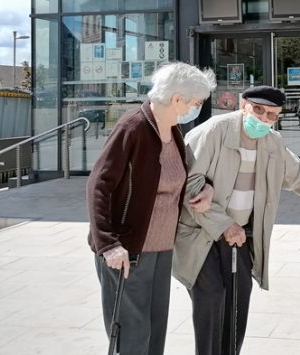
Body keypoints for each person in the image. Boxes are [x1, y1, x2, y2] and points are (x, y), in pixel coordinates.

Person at [172, 85, 300, 355]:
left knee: (238, 301)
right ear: (243, 105)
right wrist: (224, 224)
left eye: (272, 115)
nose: (263, 119)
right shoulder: (213, 131)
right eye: (258, 110)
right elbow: (187, 182)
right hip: (202, 233)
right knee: (211, 298)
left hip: (241, 236)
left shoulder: (272, 143)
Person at [86, 62, 216, 355]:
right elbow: (98, 185)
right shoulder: (132, 128)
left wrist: (205, 187)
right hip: (127, 252)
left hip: (161, 251)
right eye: (196, 102)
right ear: (177, 99)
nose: (197, 108)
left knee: (155, 332)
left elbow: (176, 178)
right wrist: (108, 244)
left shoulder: (173, 131)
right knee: (133, 336)